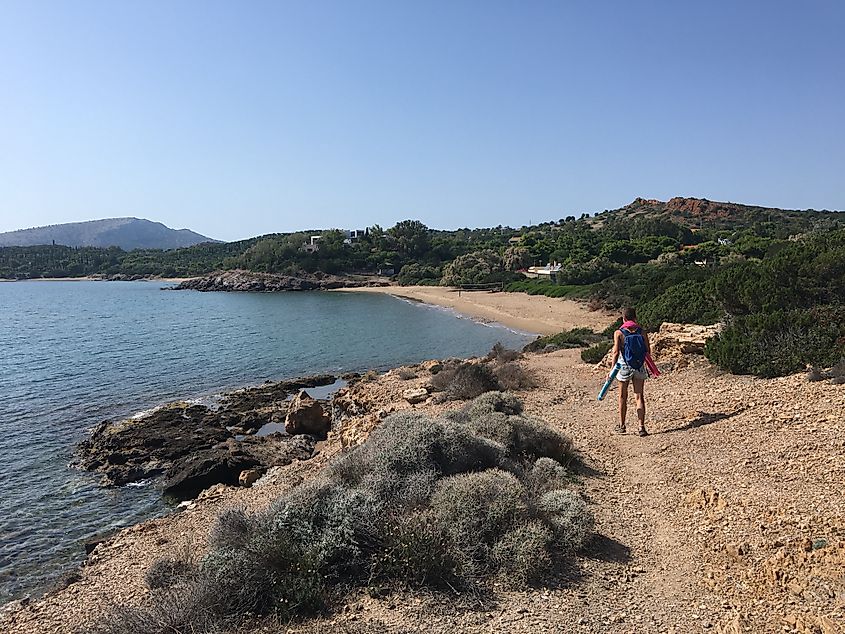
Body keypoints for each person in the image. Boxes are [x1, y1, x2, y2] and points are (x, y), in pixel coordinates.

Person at [608, 307, 651, 436]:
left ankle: (622, 426)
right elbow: (648, 351)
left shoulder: (619, 333)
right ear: (635, 318)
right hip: (639, 366)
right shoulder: (642, 332)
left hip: (624, 366)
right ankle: (641, 427)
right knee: (639, 397)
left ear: (624, 318)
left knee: (622, 397)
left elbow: (616, 352)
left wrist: (612, 370)